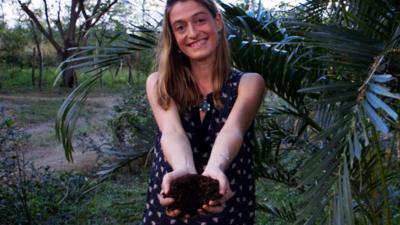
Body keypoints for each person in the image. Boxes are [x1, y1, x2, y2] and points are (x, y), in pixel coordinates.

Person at [143, 0, 265, 224]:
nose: (192, 33)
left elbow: (233, 131)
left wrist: (215, 169)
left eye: (199, 20)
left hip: (226, 205)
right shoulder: (160, 83)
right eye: (180, 27)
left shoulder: (249, 83)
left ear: (217, 21)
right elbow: (172, 133)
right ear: (174, 36)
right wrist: (184, 170)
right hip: (173, 203)